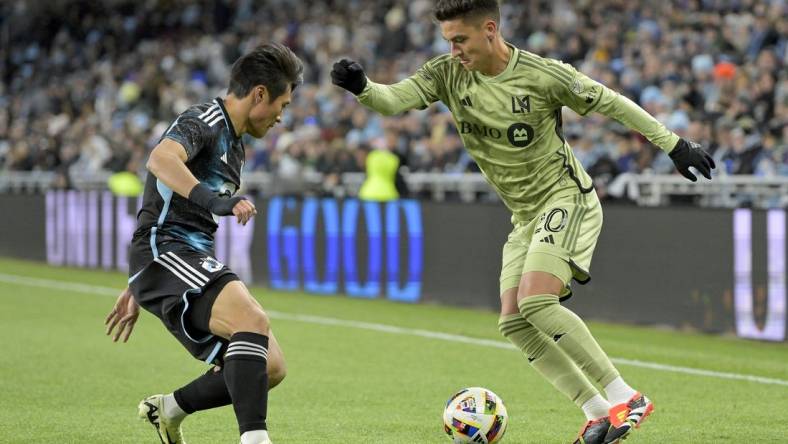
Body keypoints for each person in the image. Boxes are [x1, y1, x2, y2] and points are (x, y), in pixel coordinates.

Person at [331, 1, 714, 443]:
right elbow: (392, 100)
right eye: (448, 41)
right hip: (525, 215)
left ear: (490, 29)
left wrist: (673, 144)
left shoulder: (543, 75)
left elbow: (612, 103)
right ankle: (595, 411)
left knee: (536, 303)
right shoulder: (446, 74)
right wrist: (361, 86)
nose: (454, 50)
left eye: (461, 40)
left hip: (566, 196)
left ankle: (625, 396)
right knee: (513, 321)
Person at [104, 43, 303, 444]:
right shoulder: (205, 119)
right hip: (166, 251)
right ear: (259, 93)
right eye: (281, 104)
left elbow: (162, 197)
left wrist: (136, 285)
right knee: (253, 321)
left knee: (271, 366)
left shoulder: (237, 145)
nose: (282, 116)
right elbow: (161, 160)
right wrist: (215, 202)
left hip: (180, 258)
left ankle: (168, 409)